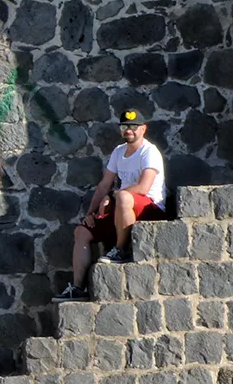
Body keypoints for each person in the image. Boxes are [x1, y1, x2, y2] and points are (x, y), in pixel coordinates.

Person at [59, 107, 166, 299]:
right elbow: (103, 185)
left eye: (134, 126)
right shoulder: (118, 152)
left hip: (151, 207)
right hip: (124, 206)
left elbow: (142, 188)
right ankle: (78, 288)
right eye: (125, 126)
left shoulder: (149, 152)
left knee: (124, 197)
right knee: (81, 232)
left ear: (143, 129)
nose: (129, 130)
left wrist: (114, 195)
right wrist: (91, 213)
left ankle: (120, 249)